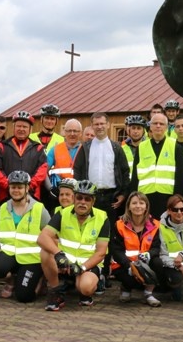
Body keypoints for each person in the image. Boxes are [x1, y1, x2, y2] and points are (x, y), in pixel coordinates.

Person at [74, 112, 130, 291]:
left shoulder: (116, 147)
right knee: (90, 235)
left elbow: (124, 171)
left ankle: (104, 273)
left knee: (108, 237)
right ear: (92, 126)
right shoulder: (86, 147)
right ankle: (90, 271)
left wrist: (122, 195)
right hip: (91, 197)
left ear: (107, 125)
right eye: (95, 124)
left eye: (102, 124)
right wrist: (82, 195)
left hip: (111, 197)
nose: (99, 127)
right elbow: (78, 170)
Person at [38, 180, 109, 311]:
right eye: (79, 197)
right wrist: (59, 254)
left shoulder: (102, 217)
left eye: (87, 199)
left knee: (86, 287)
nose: (83, 202)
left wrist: (82, 268)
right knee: (45, 252)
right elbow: (42, 237)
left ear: (93, 202)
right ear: (74, 198)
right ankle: (56, 292)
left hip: (87, 264)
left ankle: (85, 288)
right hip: (65, 261)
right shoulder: (62, 213)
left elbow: (101, 252)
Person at [0, 171, 51, 302]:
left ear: (27, 188)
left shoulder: (39, 209)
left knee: (24, 297)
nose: (16, 190)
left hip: (32, 259)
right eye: (13, 187)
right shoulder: (2, 208)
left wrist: (46, 262)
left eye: (20, 187)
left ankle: (40, 278)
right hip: (10, 253)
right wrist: (0, 254)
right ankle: (11, 281)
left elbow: (50, 237)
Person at [129, 113, 183, 218]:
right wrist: (134, 198)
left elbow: (181, 176)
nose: (158, 126)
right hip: (144, 197)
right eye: (155, 123)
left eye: (161, 123)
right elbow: (135, 175)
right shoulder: (141, 147)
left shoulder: (175, 146)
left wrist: (177, 199)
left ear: (167, 127)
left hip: (168, 197)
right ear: (150, 126)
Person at [110, 191, 162, 307]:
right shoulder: (119, 225)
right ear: (128, 206)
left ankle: (148, 293)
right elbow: (116, 250)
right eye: (134, 203)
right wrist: (129, 266)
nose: (138, 206)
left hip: (145, 263)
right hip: (124, 265)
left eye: (141, 203)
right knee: (129, 280)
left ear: (146, 206)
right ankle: (126, 288)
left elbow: (157, 247)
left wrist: (149, 254)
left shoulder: (156, 225)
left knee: (158, 263)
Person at [0, 111, 48, 202]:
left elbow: (42, 169)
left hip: (31, 194)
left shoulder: (38, 148)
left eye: (25, 127)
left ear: (30, 129)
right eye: (18, 126)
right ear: (14, 127)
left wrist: (29, 186)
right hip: (6, 195)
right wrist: (9, 186)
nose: (21, 129)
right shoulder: (1, 146)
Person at [46, 118, 83, 212]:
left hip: (79, 193)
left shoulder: (85, 150)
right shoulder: (55, 149)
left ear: (80, 133)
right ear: (64, 132)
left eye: (75, 131)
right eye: (69, 131)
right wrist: (50, 188)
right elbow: (44, 171)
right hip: (61, 193)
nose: (72, 134)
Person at [122, 114, 147, 179]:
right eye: (133, 128)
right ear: (129, 130)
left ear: (143, 131)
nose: (136, 131)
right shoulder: (122, 149)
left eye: (139, 128)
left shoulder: (150, 147)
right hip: (128, 186)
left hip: (144, 187)